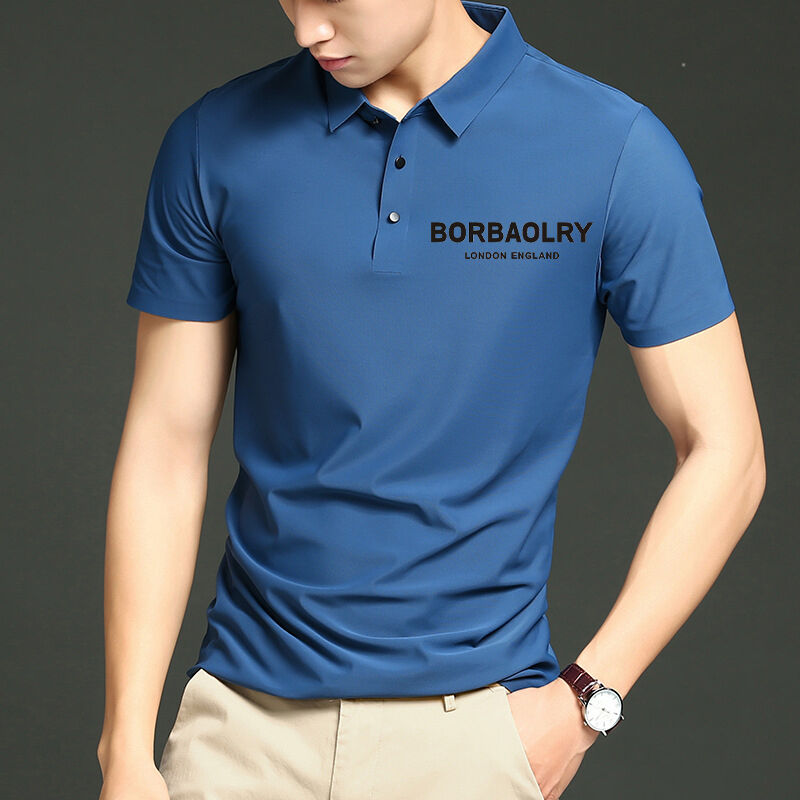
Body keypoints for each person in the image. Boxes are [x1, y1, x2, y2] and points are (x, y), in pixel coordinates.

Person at [97, 1, 766, 798]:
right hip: (238, 736)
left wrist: (585, 700)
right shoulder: (214, 142)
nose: (306, 28)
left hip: (474, 741)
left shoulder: (613, 148)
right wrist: (125, 748)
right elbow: (165, 448)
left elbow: (728, 450)